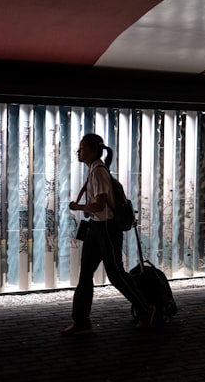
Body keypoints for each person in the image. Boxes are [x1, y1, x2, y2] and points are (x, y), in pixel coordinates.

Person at [61, 133, 155, 336]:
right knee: (86, 275)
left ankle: (146, 310)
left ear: (94, 150)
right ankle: (81, 320)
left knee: (116, 274)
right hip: (96, 228)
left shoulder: (98, 172)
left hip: (106, 229)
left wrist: (79, 206)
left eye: (83, 147)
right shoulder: (94, 171)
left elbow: (100, 204)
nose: (79, 151)